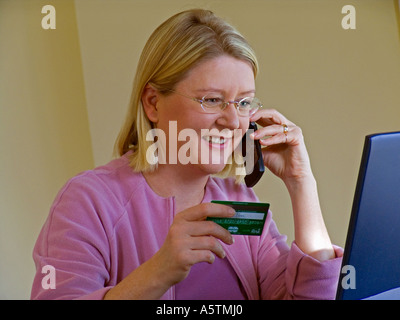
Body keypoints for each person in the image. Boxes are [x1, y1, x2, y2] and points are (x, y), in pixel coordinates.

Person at [31, 9, 343, 300]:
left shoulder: (240, 200)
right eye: (211, 99)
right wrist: (157, 273)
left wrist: (302, 184)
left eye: (244, 103)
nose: (233, 121)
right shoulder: (89, 200)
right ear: (153, 103)